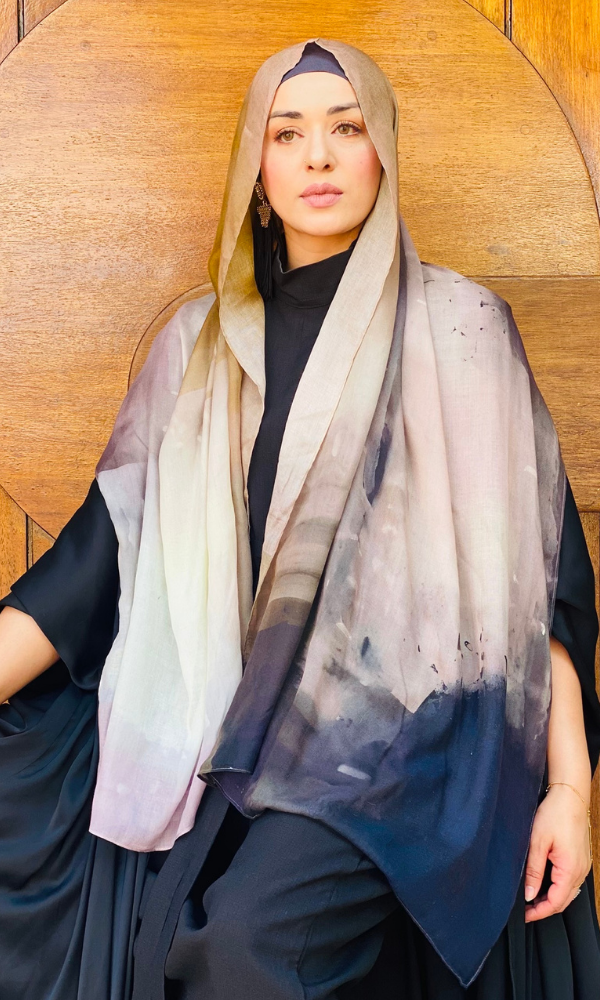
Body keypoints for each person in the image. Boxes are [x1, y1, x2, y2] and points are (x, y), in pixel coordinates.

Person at [0, 38, 599, 1000]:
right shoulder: (197, 352)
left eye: (346, 127)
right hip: (233, 727)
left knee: (244, 948)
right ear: (256, 167)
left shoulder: (462, 333)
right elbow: (90, 567)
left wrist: (570, 791)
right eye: (286, 133)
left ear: (383, 153)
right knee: (153, 943)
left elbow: (536, 598)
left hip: (405, 745)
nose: (318, 156)